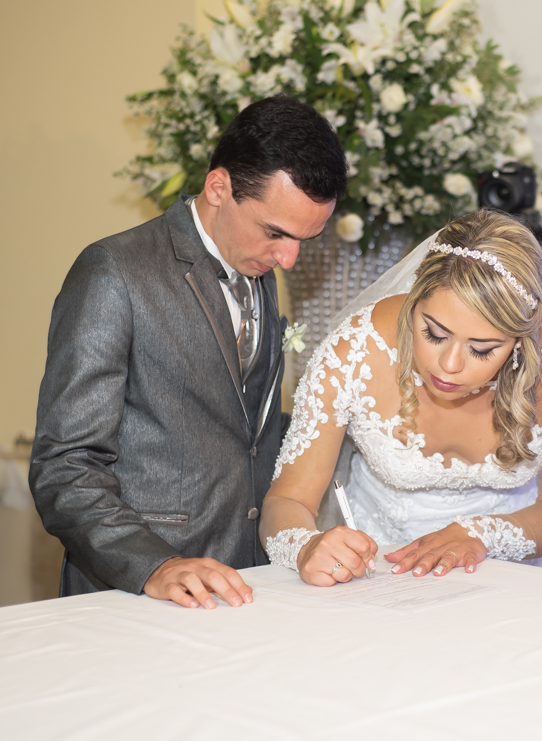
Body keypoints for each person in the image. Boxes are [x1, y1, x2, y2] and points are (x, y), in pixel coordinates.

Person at [30, 95, 345, 608]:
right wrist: (155, 565)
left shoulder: (257, 266)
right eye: (275, 233)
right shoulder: (115, 272)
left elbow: (241, 427)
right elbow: (65, 465)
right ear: (219, 188)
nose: (288, 259)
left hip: (247, 581)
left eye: (303, 240)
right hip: (140, 591)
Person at [259, 210, 542, 584]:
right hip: (378, 579)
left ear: (521, 338)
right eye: (434, 334)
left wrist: (482, 534)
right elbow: (286, 502)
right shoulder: (355, 351)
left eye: (482, 349)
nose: (449, 365)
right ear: (414, 298)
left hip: (505, 582)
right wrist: (306, 546)